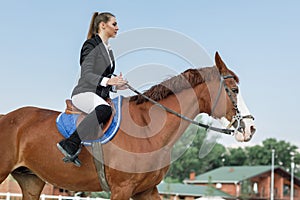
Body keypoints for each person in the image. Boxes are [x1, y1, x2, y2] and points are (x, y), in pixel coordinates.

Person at [57, 12, 127, 167]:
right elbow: (87, 74)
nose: (117, 28)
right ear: (103, 25)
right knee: (104, 110)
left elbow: (103, 79)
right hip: (84, 93)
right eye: (114, 24)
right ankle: (70, 144)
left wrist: (116, 86)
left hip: (97, 94)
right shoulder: (90, 45)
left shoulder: (108, 50)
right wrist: (109, 80)